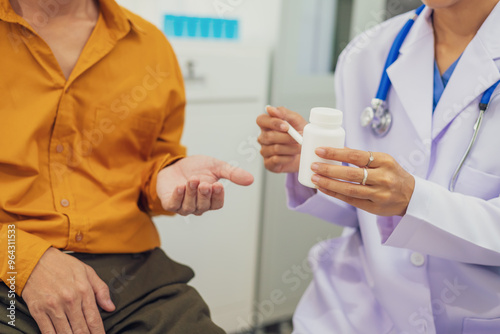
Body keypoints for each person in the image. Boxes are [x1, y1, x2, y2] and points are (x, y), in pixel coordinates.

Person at [0, 0, 254, 333]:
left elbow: (147, 165)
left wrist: (165, 176)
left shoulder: (150, 47)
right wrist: (22, 258)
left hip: (132, 277)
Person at [257, 0, 500, 333]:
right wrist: (317, 167)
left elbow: (407, 203)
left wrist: (415, 201)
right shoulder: (366, 53)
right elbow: (366, 215)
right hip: (355, 311)